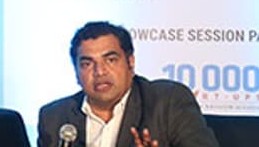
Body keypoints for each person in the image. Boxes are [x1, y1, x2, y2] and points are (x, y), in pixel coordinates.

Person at [37, 21, 219, 147]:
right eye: (87, 64)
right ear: (76, 72)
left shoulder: (167, 103)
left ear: (130, 63)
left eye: (110, 60)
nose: (99, 72)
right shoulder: (54, 117)